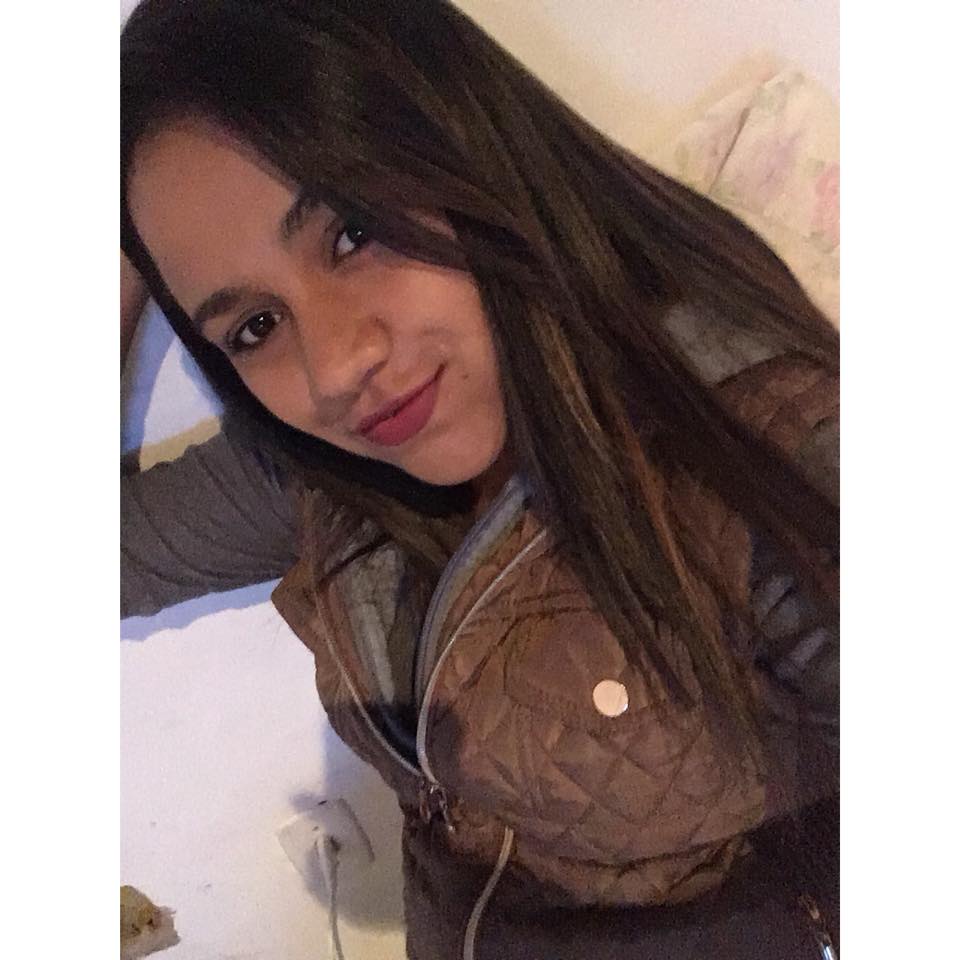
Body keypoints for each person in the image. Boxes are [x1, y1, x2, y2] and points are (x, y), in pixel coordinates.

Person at [120, 1, 839, 958]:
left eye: (352, 234)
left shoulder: (770, 455)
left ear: (468, 147)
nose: (335, 368)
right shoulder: (320, 470)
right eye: (252, 326)